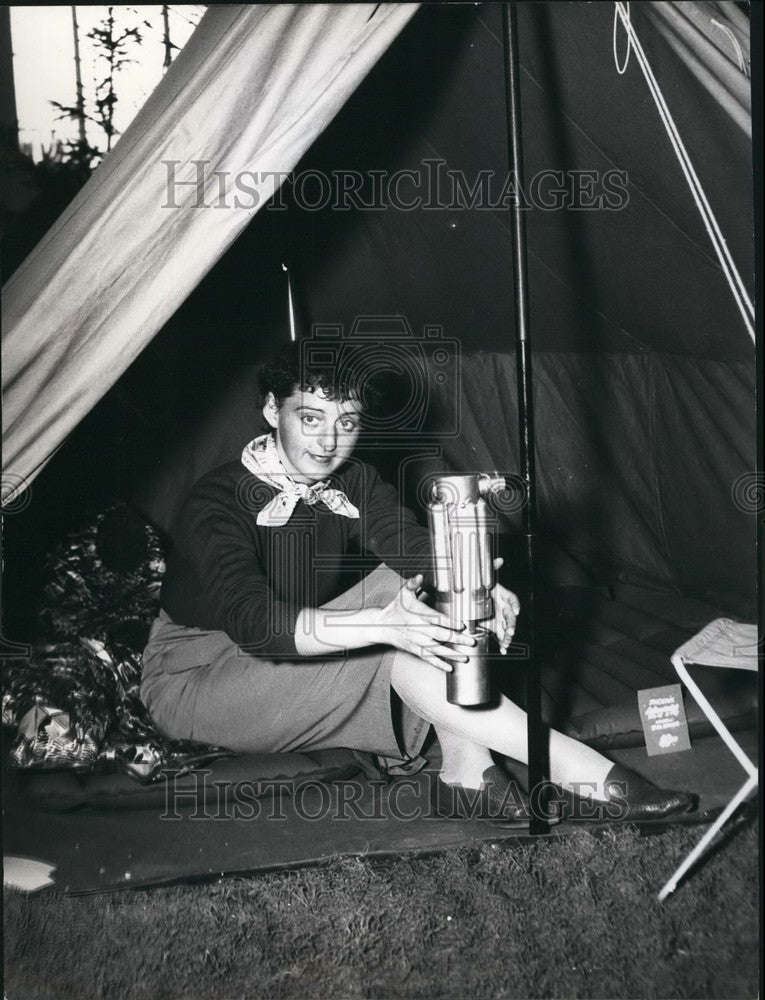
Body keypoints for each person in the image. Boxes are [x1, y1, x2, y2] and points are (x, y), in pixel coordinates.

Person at [141, 343, 694, 824]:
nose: (329, 441)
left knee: (425, 589)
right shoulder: (216, 500)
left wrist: (478, 587)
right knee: (393, 642)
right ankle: (581, 772)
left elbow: (413, 549)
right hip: (197, 675)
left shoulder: (352, 479)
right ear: (270, 410)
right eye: (310, 418)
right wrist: (384, 626)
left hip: (279, 646)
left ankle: (469, 774)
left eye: (348, 422)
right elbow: (253, 622)